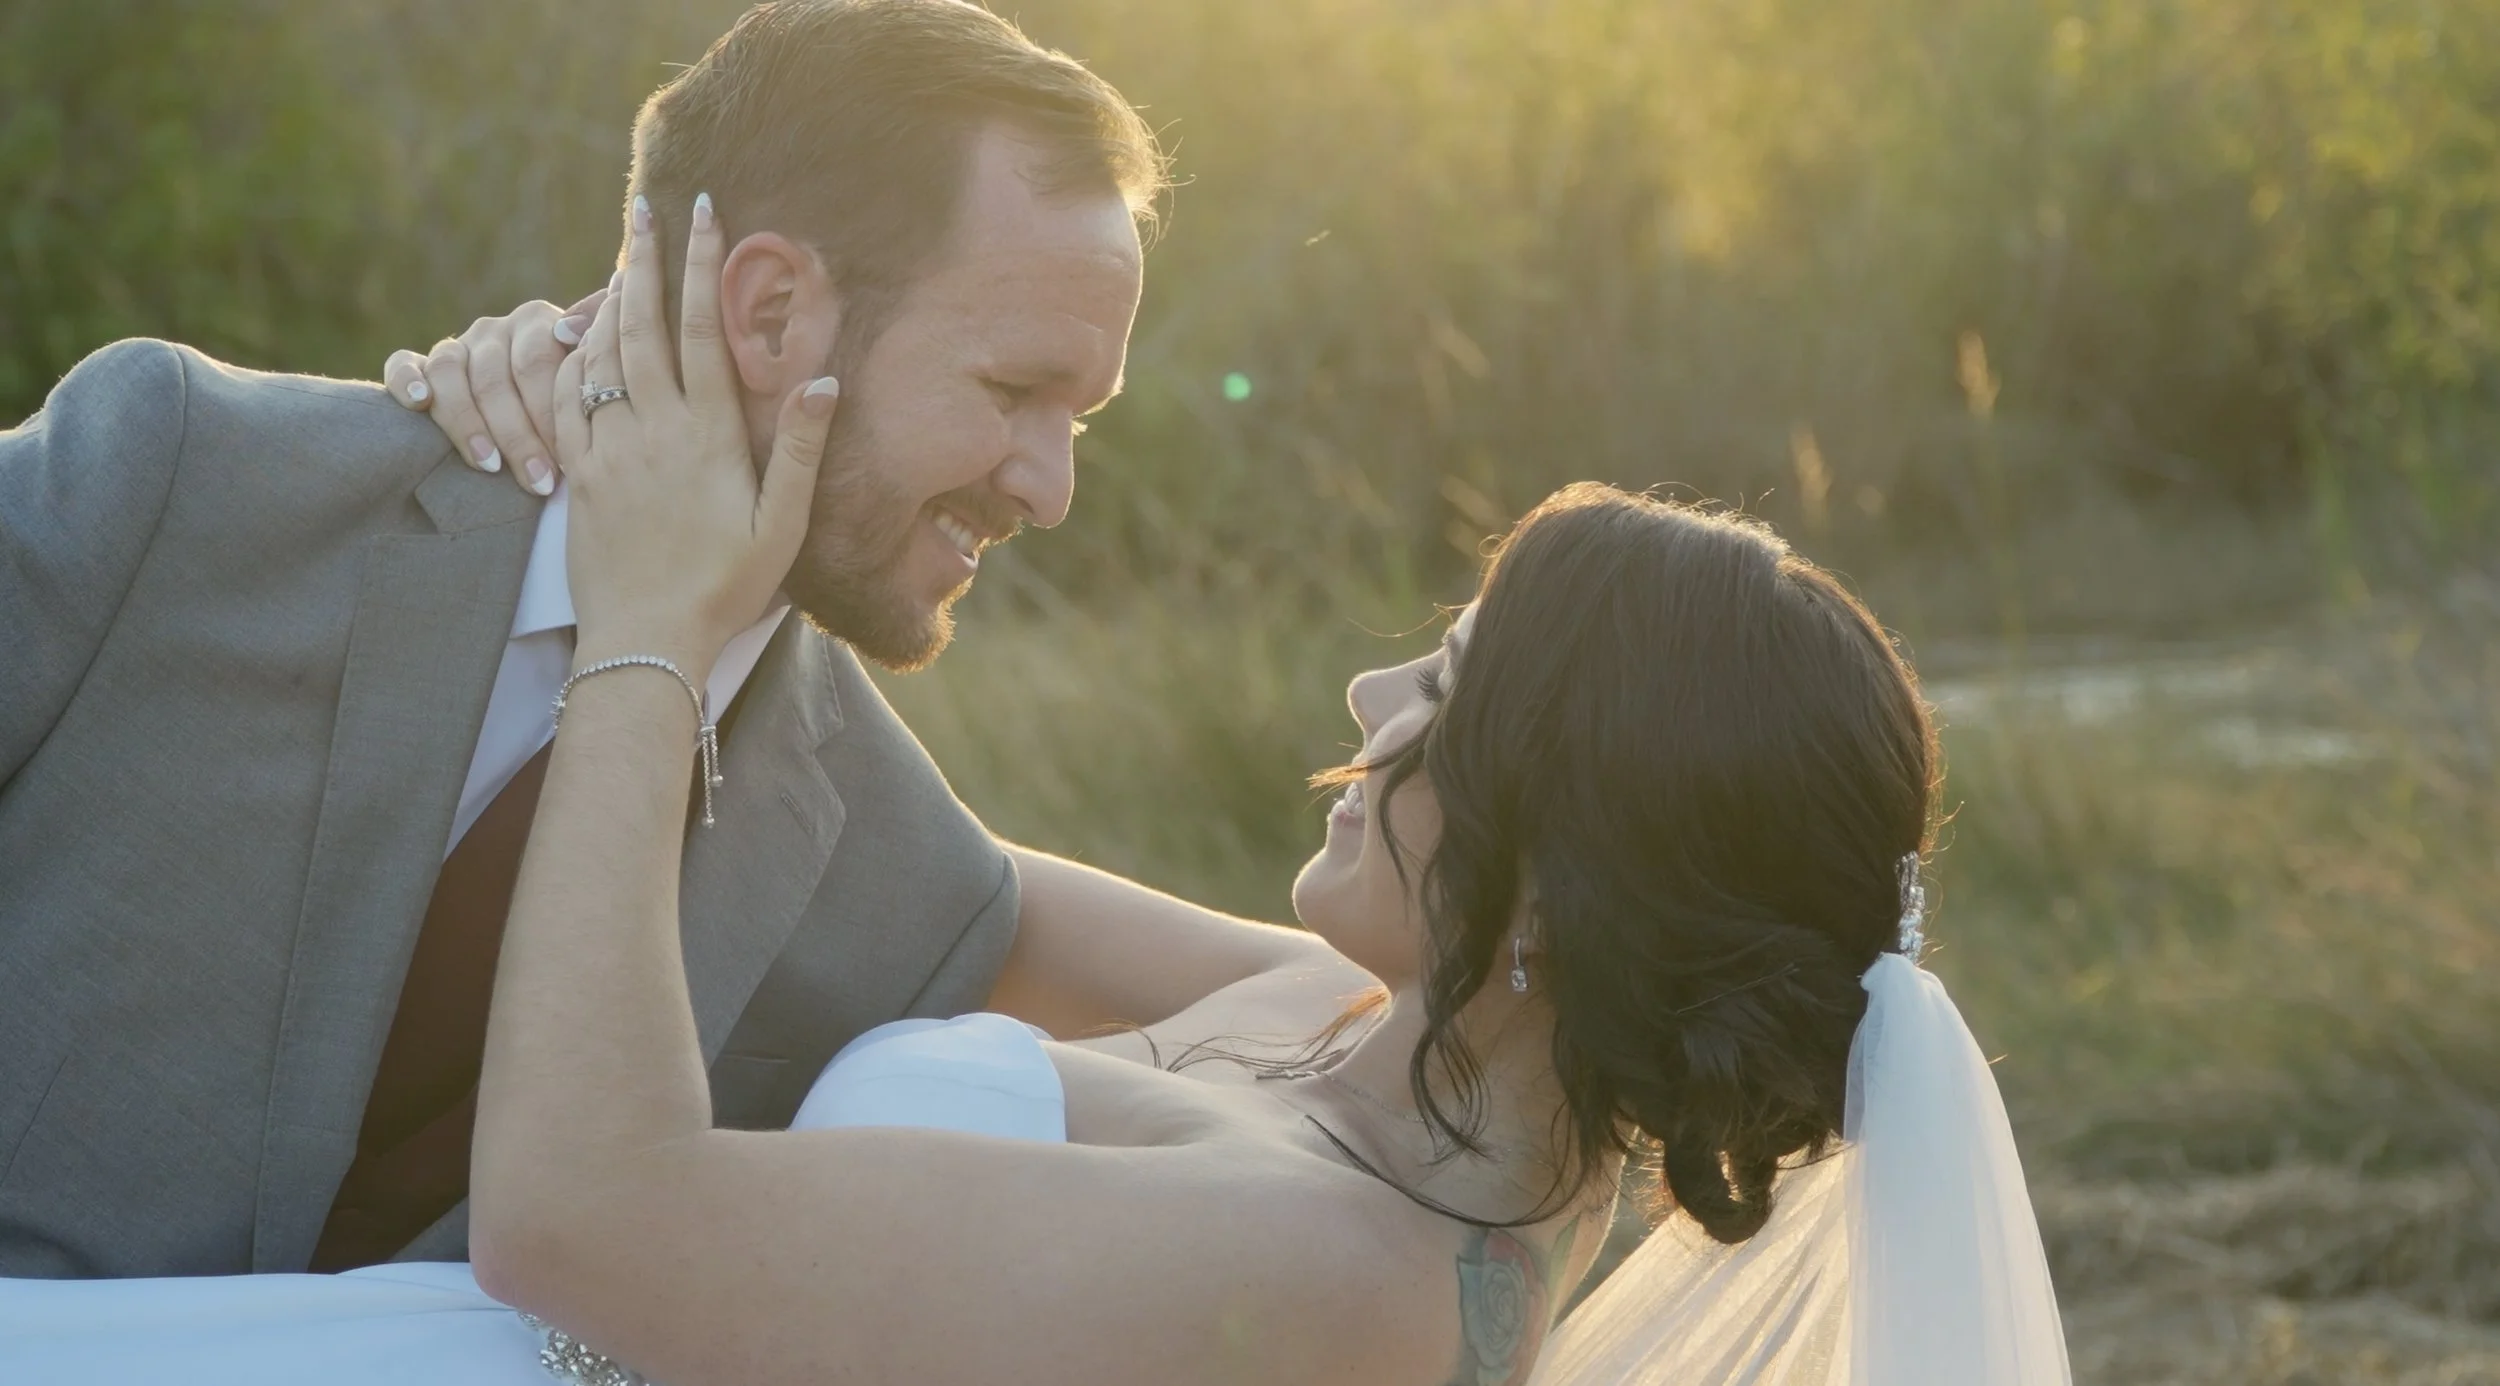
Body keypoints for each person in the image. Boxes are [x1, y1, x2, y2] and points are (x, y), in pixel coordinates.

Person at [0, 194, 2072, 1384]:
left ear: (1548, 892)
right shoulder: (1389, 1059)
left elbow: (579, 1219)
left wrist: (640, 626)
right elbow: (958, 886)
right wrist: (604, 429)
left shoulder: (1365, 1291)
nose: (1366, 692)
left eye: (1437, 693)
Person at [0, 0, 1169, 1278]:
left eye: (1085, 418)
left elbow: (1372, 1015)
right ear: (771, 313)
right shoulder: (184, 490)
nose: (1051, 490)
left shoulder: (909, 883)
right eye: (1014, 391)